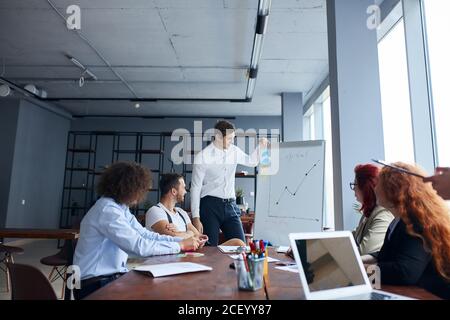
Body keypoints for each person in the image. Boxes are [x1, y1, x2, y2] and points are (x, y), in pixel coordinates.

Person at [73, 162, 200, 300]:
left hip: (112, 277)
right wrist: (180, 245)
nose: (140, 195)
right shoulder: (107, 210)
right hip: (94, 284)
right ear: (128, 188)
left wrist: (181, 240)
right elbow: (139, 246)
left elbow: (145, 234)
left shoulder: (120, 208)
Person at [361, 162, 450, 299]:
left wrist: (361, 270)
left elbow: (405, 273)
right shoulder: (399, 221)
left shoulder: (415, 222)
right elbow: (395, 253)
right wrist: (367, 259)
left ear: (393, 189)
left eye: (378, 183)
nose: (374, 187)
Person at [190, 120, 268, 246]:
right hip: (210, 206)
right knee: (210, 249)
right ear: (219, 137)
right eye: (230, 138)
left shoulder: (234, 151)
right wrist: (196, 218)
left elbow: (251, 161)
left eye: (233, 138)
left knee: (241, 246)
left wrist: (261, 146)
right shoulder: (203, 157)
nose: (232, 141)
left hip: (230, 205)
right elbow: (195, 188)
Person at [146, 173, 245, 246]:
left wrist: (182, 233)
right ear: (174, 191)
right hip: (174, 256)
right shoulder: (155, 211)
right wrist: (188, 233)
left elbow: (199, 236)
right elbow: (172, 238)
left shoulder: (181, 212)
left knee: (239, 243)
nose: (186, 191)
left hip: (195, 252)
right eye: (183, 188)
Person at [351, 164, 394, 255]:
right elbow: (353, 236)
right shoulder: (370, 211)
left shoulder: (383, 214)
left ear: (366, 188)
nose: (353, 188)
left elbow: (364, 252)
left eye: (355, 184)